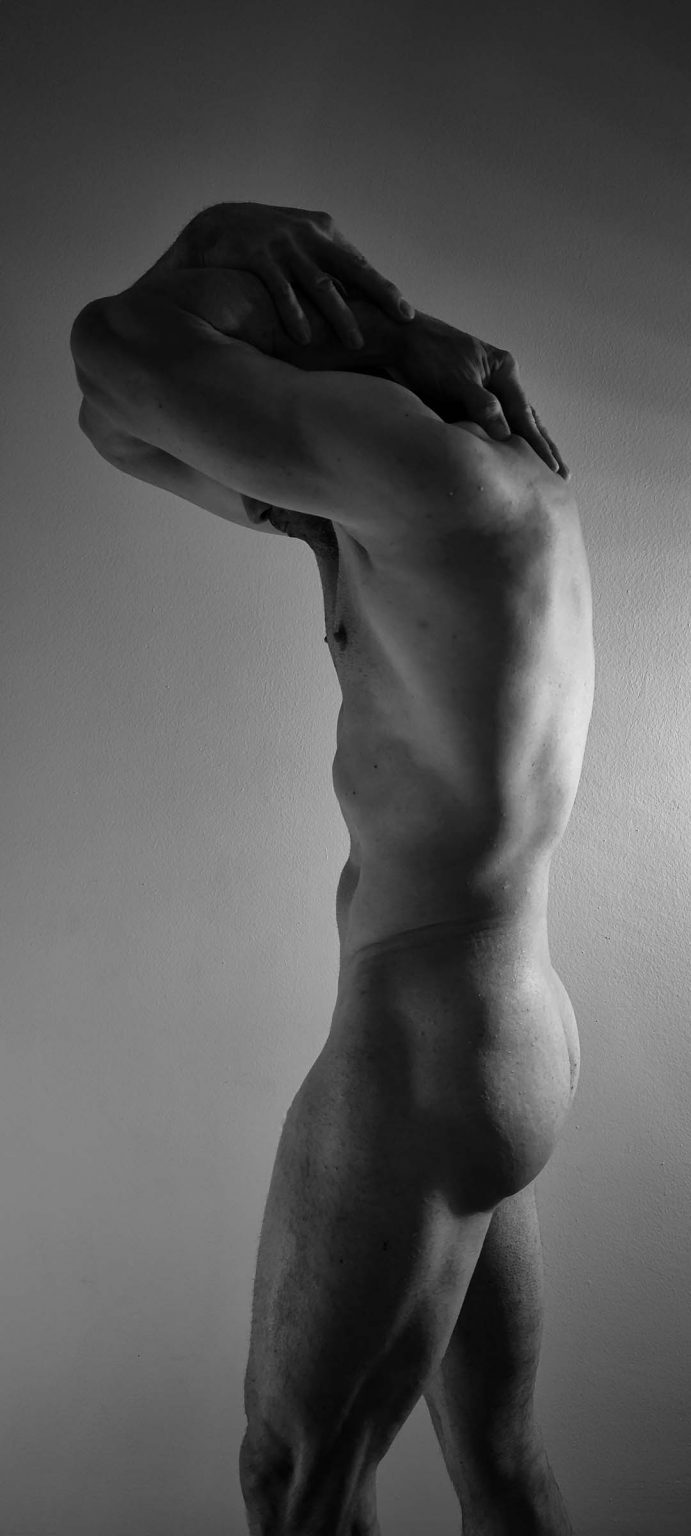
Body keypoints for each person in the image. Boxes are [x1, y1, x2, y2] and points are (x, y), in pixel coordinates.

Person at [70, 202, 593, 1536]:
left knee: (291, 1477)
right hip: (496, 1027)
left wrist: (226, 250)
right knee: (501, 1469)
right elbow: (114, 419)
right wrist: (222, 256)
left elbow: (116, 346)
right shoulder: (402, 498)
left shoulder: (428, 478)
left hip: (424, 1042)